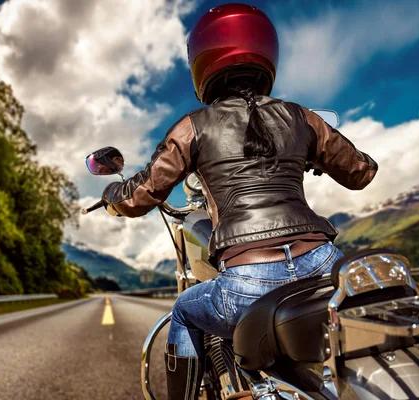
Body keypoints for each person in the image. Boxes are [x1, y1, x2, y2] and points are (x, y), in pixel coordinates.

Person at [100, 4, 377, 399]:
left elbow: (141, 194)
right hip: (323, 263)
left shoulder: (193, 126)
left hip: (248, 281)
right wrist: (314, 157)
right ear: (266, 51)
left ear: (203, 60)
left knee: (183, 311)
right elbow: (361, 172)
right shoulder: (301, 117)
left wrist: (112, 196)